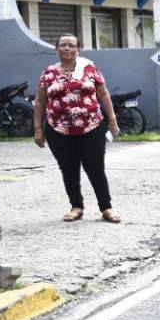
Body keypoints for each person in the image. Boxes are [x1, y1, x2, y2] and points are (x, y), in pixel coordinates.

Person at [33, 34, 121, 223]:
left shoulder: (89, 68)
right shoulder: (48, 73)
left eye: (71, 45)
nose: (67, 48)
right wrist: (38, 129)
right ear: (56, 49)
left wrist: (112, 120)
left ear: (78, 49)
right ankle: (76, 206)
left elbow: (104, 95)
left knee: (95, 168)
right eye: (62, 45)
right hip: (58, 131)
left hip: (92, 127)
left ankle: (106, 208)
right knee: (68, 169)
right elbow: (40, 101)